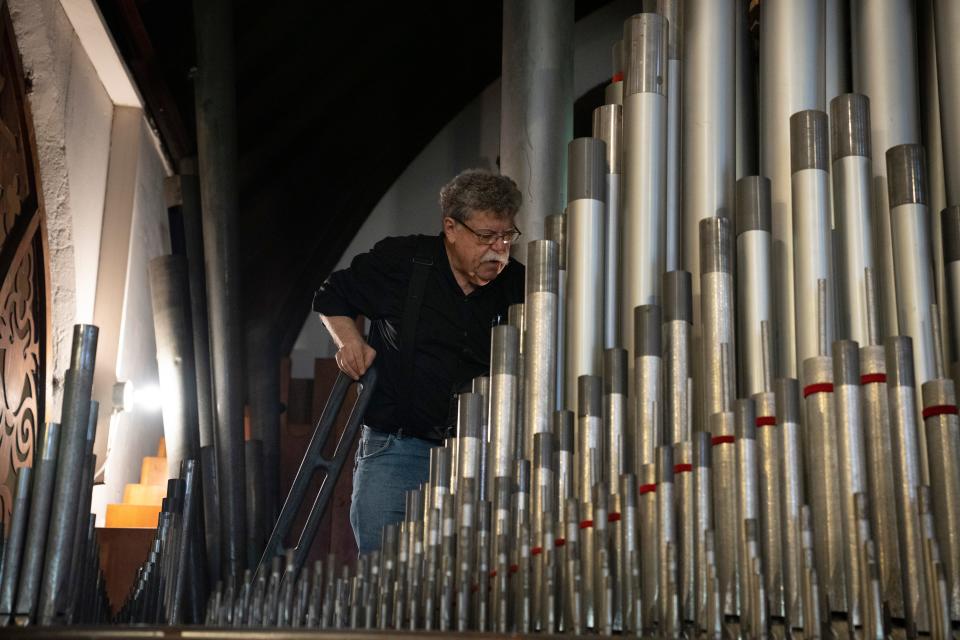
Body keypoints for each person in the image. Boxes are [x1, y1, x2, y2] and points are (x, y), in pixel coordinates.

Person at [312, 169, 525, 553]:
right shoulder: (402, 261)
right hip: (396, 450)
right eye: (486, 237)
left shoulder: (519, 285)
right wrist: (349, 342)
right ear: (451, 227)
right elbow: (331, 296)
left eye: (507, 236)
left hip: (478, 460)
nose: (499, 249)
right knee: (385, 574)